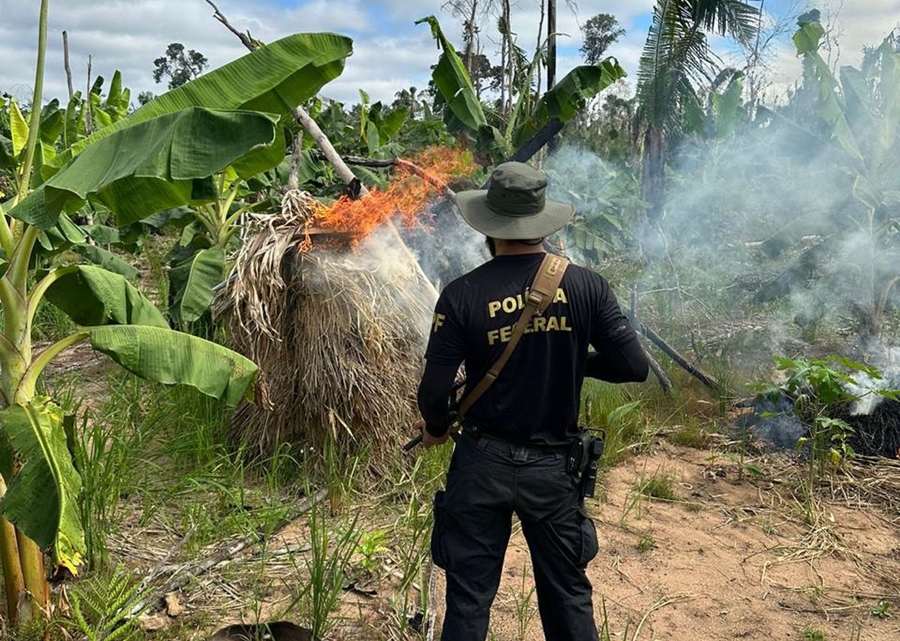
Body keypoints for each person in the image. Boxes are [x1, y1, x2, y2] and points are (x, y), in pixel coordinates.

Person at [414, 161, 650, 641]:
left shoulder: (462, 295)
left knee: (469, 598)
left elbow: (433, 392)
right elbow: (633, 366)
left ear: (489, 225)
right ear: (541, 220)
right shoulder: (588, 286)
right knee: (567, 595)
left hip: (481, 463)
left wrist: (436, 428)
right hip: (555, 470)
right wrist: (570, 359)